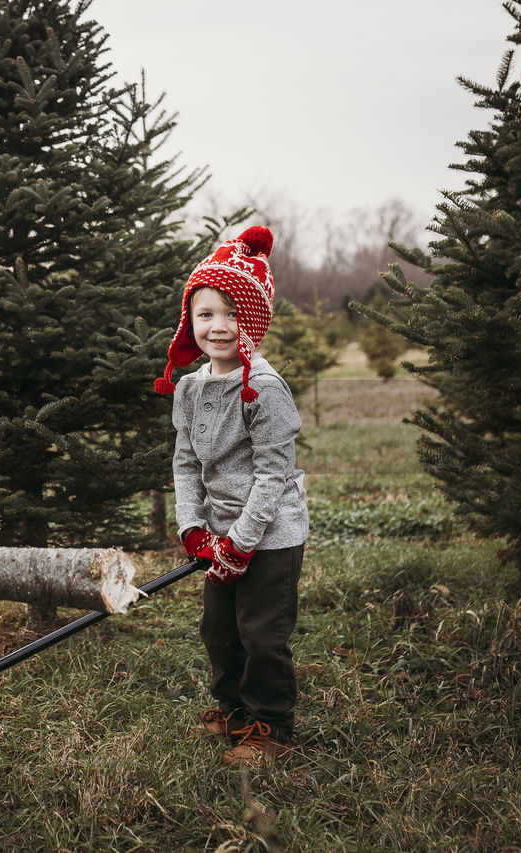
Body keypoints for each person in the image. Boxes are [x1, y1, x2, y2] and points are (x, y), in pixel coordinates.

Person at [153, 225, 308, 766]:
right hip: (218, 535)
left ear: (254, 322)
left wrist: (240, 542)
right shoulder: (192, 388)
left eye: (231, 314)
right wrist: (193, 529)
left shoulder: (264, 389)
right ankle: (234, 708)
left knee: (261, 633)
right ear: (189, 321)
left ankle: (272, 725)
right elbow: (186, 462)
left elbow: (273, 476)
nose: (218, 326)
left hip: (268, 535)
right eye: (205, 314)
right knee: (219, 630)